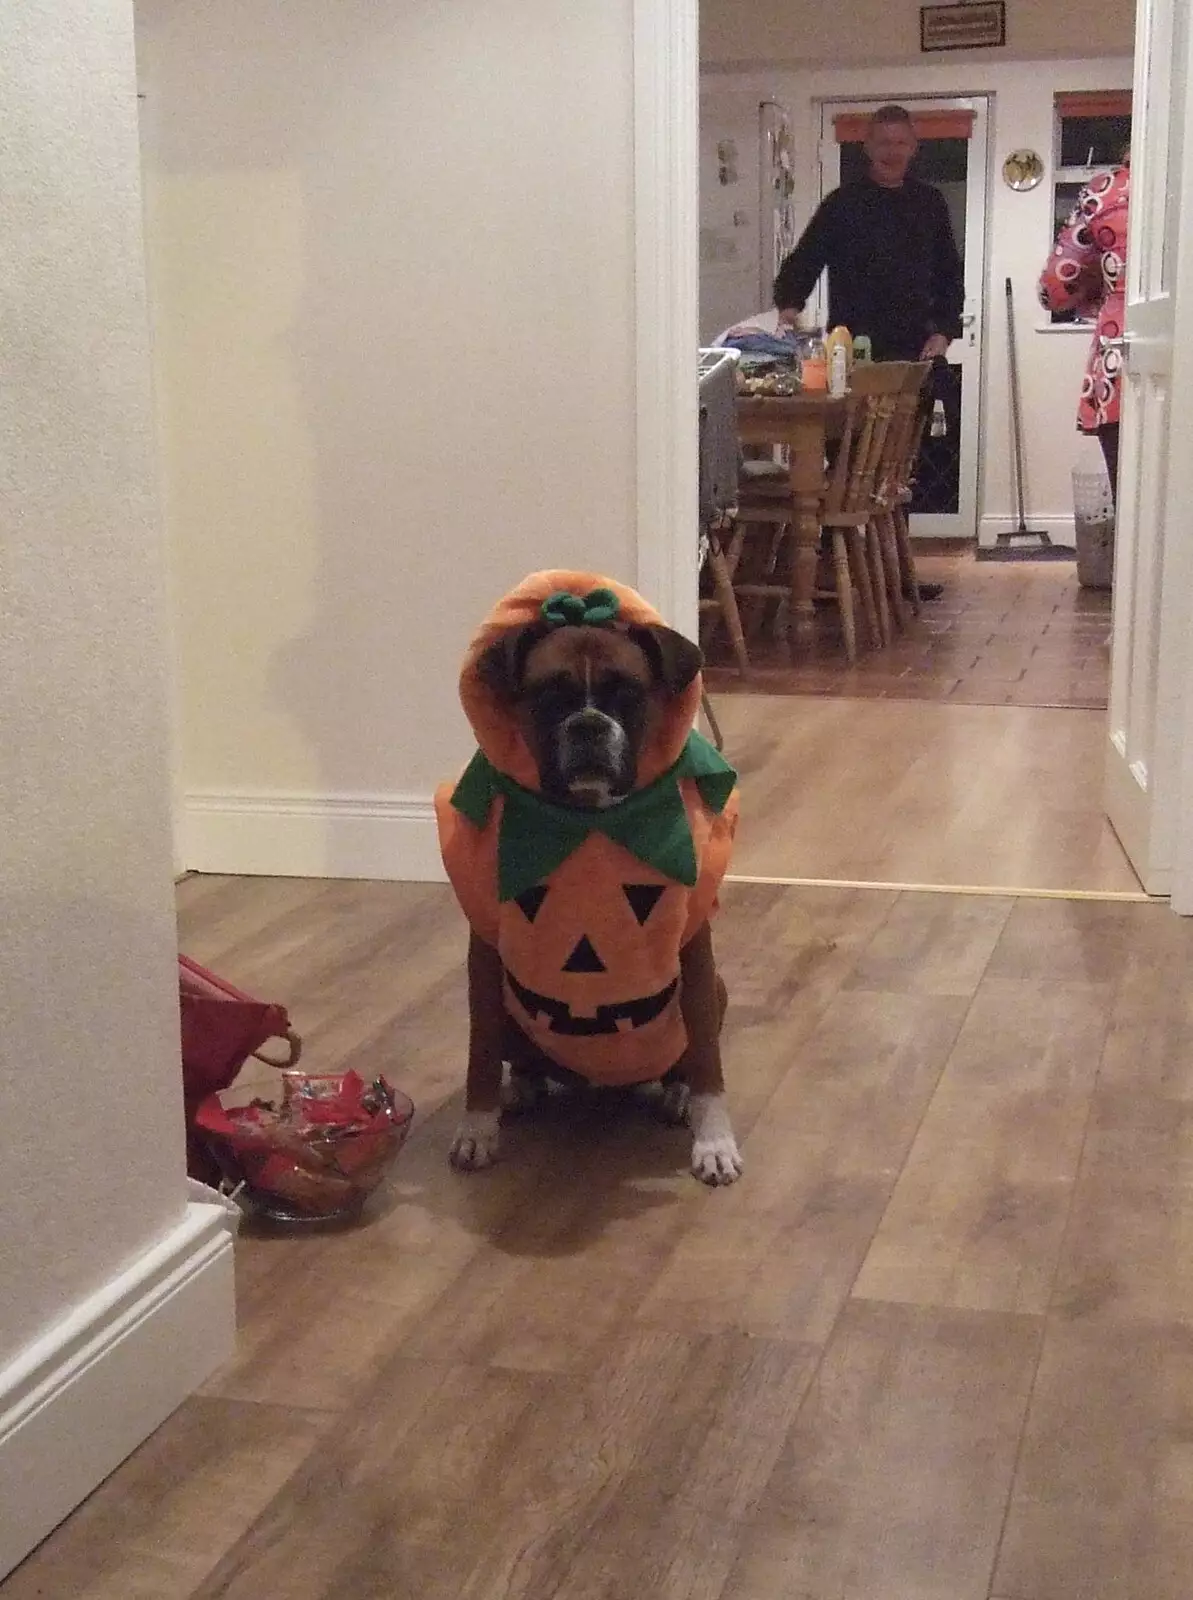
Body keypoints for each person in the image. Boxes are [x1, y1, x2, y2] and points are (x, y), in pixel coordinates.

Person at [772, 104, 965, 599]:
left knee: (899, 474)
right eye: (884, 142)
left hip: (916, 357)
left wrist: (944, 332)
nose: (893, 151)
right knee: (846, 471)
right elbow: (805, 260)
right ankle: (842, 578)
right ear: (868, 146)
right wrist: (786, 313)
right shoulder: (843, 204)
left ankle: (895, 579)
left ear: (914, 147)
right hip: (851, 358)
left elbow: (950, 276)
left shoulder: (931, 204)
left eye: (902, 142)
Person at [1037, 150, 1130, 504]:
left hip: (1120, 357)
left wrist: (1101, 284)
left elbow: (1055, 289)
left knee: (1132, 504)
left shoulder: (1104, 192)